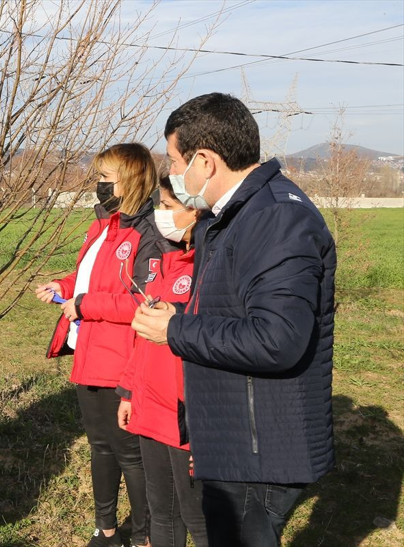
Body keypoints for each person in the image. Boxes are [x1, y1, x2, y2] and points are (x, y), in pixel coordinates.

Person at [132, 93, 336, 546]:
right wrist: (181, 314)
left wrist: (175, 330)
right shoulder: (238, 215)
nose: (172, 174)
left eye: (174, 160)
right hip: (238, 437)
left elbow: (277, 338)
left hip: (257, 451)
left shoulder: (276, 218)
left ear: (205, 161)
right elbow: (238, 311)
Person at [36, 142, 169, 547]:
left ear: (129, 180)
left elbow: (143, 300)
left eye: (104, 179)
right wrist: (63, 288)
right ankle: (106, 530)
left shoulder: (148, 233)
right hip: (89, 352)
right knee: (100, 448)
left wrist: (85, 304)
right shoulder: (102, 226)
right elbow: (89, 280)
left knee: (131, 455)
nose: (98, 186)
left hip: (122, 359)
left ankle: (144, 536)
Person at [117, 177, 207, 547]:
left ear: (197, 212)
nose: (160, 216)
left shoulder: (207, 267)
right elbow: (142, 337)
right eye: (159, 206)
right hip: (150, 406)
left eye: (169, 208)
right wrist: (127, 391)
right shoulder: (164, 265)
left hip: (186, 415)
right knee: (162, 511)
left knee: (197, 516)